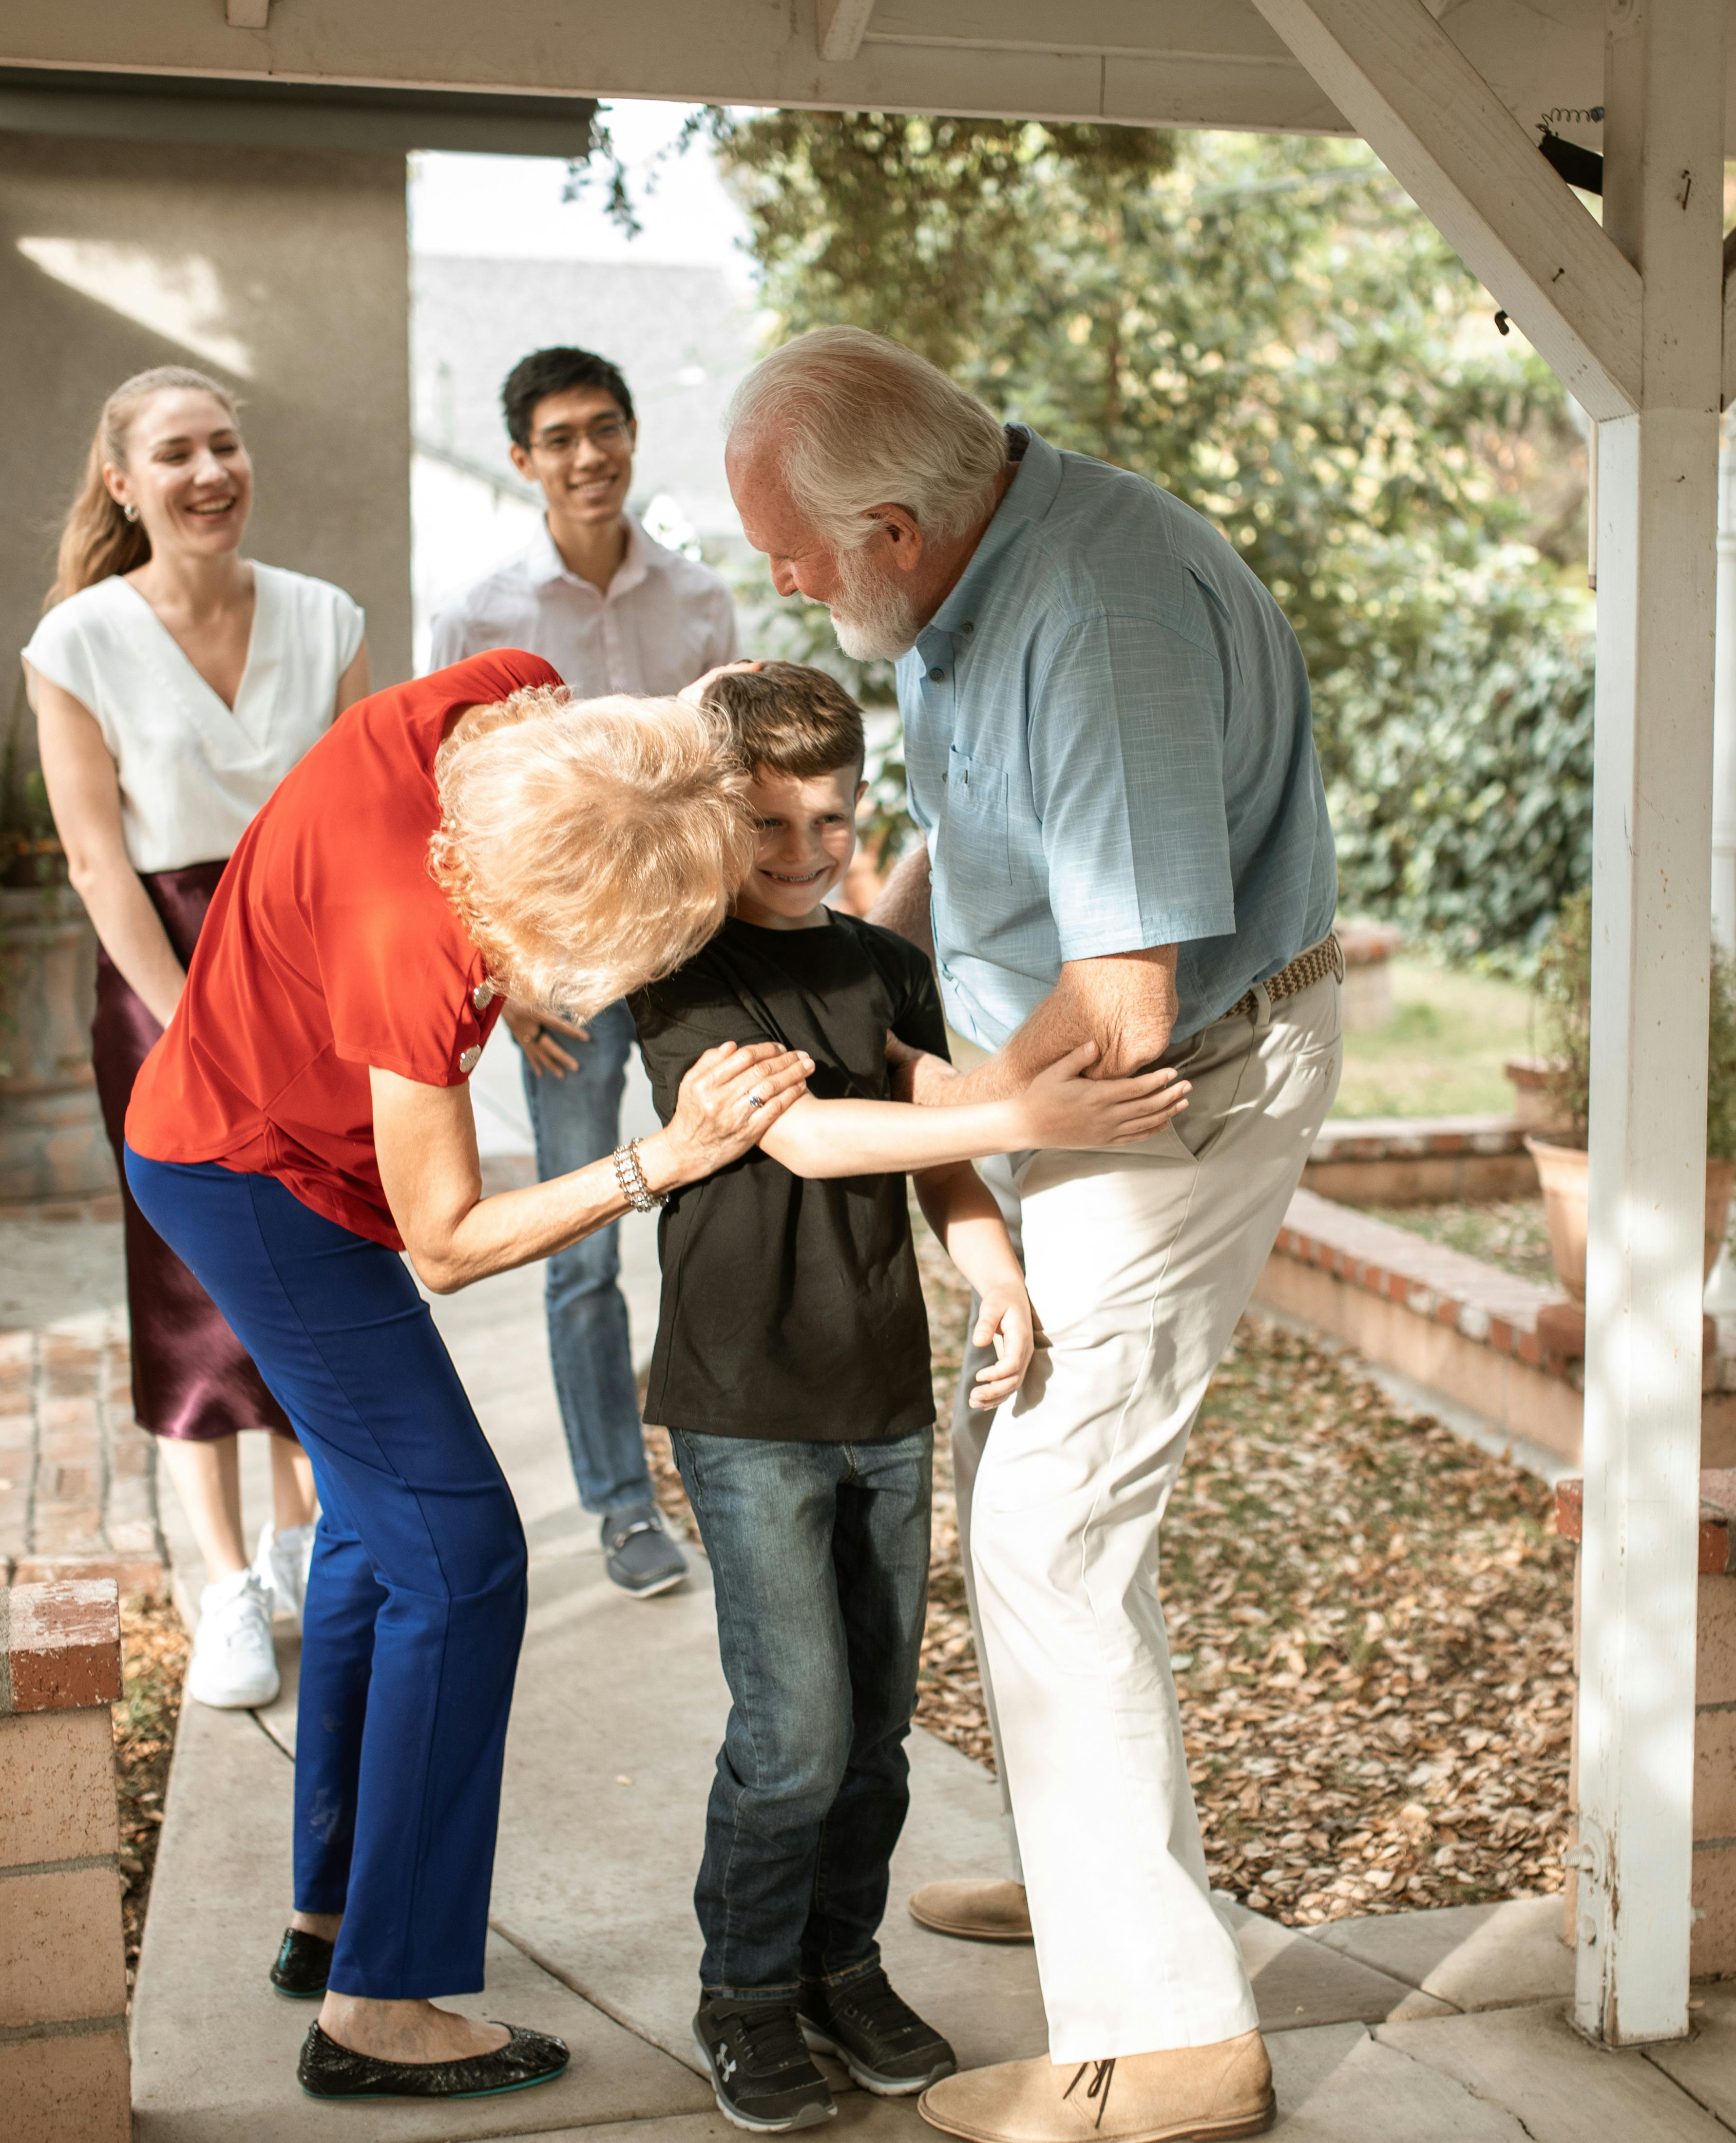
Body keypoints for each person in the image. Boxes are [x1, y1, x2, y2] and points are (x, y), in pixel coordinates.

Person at [726, 329, 1344, 2143]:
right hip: (1087, 1067)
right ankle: (1098, 1878)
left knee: (1047, 1521)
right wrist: (843, 952)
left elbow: (1130, 1004)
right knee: (1031, 1467)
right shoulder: (958, 601)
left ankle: (1168, 2040)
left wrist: (950, 1117)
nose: (778, 577)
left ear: (896, 526)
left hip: (1178, 1081)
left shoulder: (1096, 616)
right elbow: (965, 840)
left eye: (792, 550)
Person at [122, 649, 812, 2105]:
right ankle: (382, 2004)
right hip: (255, 1179)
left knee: (384, 1533)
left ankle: (332, 1919)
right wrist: (658, 1161)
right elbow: (443, 1242)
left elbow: (675, 733)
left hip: (237, 1118)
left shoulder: (497, 697)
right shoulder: (411, 943)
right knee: (463, 1558)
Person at [633, 665, 1189, 2134]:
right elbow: (808, 1138)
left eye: (829, 816)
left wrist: (992, 1272)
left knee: (877, 1716)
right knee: (795, 1727)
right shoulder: (684, 968)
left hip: (878, 1394)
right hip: (747, 1402)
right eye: (767, 823)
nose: (804, 849)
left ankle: (840, 1963)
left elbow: (931, 1150)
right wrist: (1031, 1115)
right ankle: (743, 1992)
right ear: (713, 816)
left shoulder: (881, 961)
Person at [24, 364, 365, 1712]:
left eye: (225, 445)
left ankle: (298, 1544)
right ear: (122, 483)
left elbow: (353, 829)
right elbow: (100, 868)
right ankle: (223, 1580)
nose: (209, 472)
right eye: (175, 453)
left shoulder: (323, 616)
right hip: (159, 974)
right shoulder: (77, 644)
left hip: (309, 967)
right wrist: (198, 1026)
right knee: (191, 1274)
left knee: (320, 1243)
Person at [424, 346, 743, 1601]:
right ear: (523, 461)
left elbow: (728, 782)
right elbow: (445, 808)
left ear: (629, 434)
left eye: (605, 428)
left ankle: (727, 1473)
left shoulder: (701, 603)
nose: (588, 455)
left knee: (717, 1215)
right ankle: (621, 1507)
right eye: (559, 438)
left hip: (688, 957)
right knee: (584, 1249)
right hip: (560, 982)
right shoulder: (481, 614)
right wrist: (505, 983)